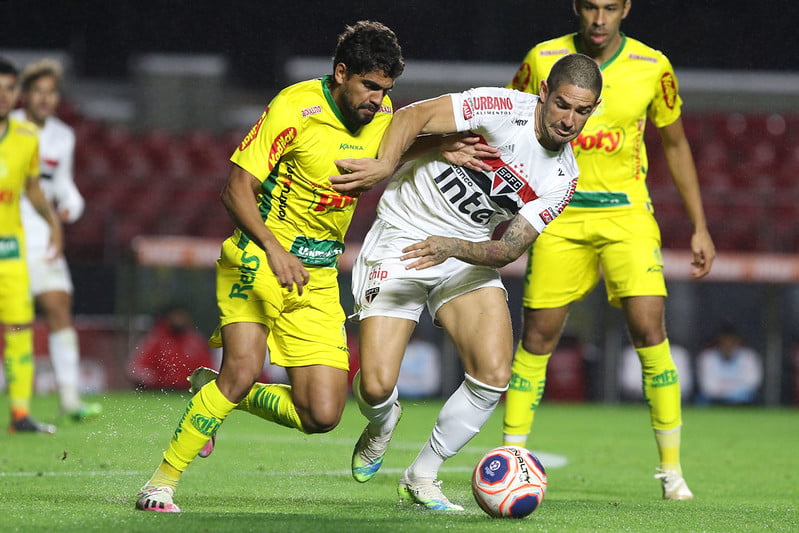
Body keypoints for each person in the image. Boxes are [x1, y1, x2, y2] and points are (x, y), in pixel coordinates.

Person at [134, 20, 406, 513]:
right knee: (240, 370)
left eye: (385, 89)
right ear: (341, 72)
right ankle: (161, 483)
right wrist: (272, 247)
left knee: (322, 414)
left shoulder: (381, 111)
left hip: (318, 277)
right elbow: (235, 188)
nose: (376, 99)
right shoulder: (294, 107)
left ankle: (211, 391)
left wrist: (444, 145)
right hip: (257, 257)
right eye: (368, 86)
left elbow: (402, 142)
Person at [330, 53, 602, 510]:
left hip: (465, 250)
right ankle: (381, 424)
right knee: (375, 386)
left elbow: (508, 249)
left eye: (582, 111)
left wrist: (452, 247)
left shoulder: (563, 177)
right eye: (562, 105)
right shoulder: (500, 107)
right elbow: (413, 115)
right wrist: (382, 165)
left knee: (494, 375)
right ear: (544, 94)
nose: (569, 120)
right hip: (403, 235)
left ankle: (423, 474)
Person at [502, 0, 716, 501]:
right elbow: (509, 122)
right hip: (558, 210)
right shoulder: (542, 58)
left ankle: (671, 472)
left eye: (611, 8)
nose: (600, 19)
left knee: (649, 328)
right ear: (578, 7)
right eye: (592, 7)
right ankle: (512, 459)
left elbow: (677, 144)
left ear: (626, 9)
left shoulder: (652, 66)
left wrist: (700, 225)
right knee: (538, 338)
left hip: (627, 212)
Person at [10, 58, 101, 422]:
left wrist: (73, 206)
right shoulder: (9, 128)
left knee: (59, 305)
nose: (45, 99)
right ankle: (19, 404)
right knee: (13, 319)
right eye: (38, 92)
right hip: (10, 232)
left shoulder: (63, 135)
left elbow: (62, 184)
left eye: (51, 92)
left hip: (44, 236)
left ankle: (69, 398)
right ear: (24, 95)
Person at [0, 56, 63, 434]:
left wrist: (53, 224)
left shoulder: (26, 138)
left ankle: (20, 414)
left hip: (9, 251)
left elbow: (33, 187)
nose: (3, 97)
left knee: (20, 330)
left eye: (9, 89)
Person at [127, 305, 215, 391]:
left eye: (181, 315)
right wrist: (148, 377)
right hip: (159, 391)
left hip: (188, 391)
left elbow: (208, 370)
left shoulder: (196, 341)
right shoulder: (156, 339)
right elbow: (137, 368)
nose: (178, 319)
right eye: (175, 315)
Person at [696, 324, 762, 405]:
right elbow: (707, 387)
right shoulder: (707, 357)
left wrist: (730, 392)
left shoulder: (748, 356)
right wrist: (729, 390)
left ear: (737, 342)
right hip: (715, 400)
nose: (728, 345)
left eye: (731, 341)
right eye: (724, 342)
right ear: (718, 342)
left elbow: (752, 383)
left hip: (743, 400)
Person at [620, 343, 693, 402]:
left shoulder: (677, 353)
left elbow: (684, 382)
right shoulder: (634, 352)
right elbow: (630, 382)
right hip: (638, 396)